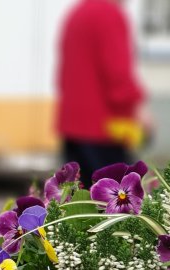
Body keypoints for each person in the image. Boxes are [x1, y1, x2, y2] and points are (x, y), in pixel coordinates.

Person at [57, 0, 149, 187]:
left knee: (80, 204)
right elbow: (117, 74)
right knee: (115, 205)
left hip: (73, 127)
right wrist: (138, 109)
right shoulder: (109, 14)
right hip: (103, 129)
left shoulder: (78, 12)